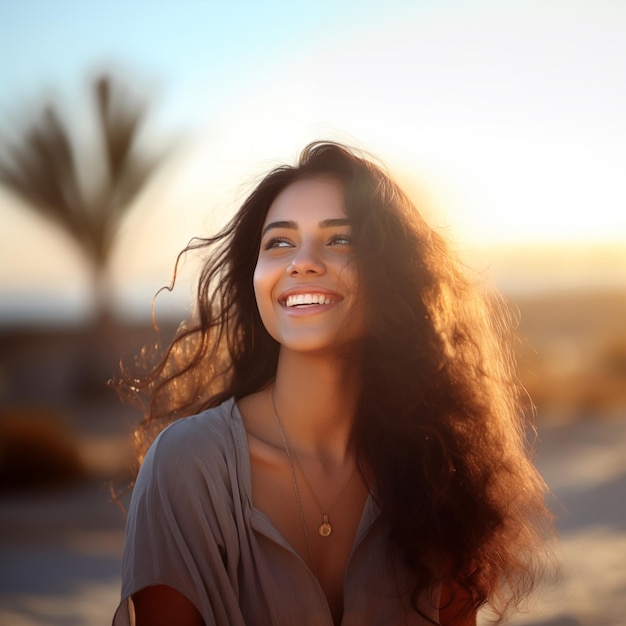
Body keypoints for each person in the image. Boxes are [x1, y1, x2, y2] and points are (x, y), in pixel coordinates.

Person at [112, 141, 554, 626]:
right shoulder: (186, 467)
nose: (302, 262)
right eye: (278, 243)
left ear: (391, 276)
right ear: (254, 277)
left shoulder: (436, 471)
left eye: (339, 240)